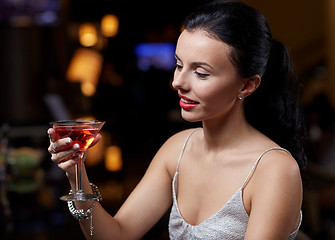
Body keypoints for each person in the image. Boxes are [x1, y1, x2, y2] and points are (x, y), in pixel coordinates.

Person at [48, 1, 306, 239]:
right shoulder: (177, 149)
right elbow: (116, 234)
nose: (177, 82)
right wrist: (76, 172)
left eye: (201, 73)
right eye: (179, 65)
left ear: (247, 86)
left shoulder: (274, 170)